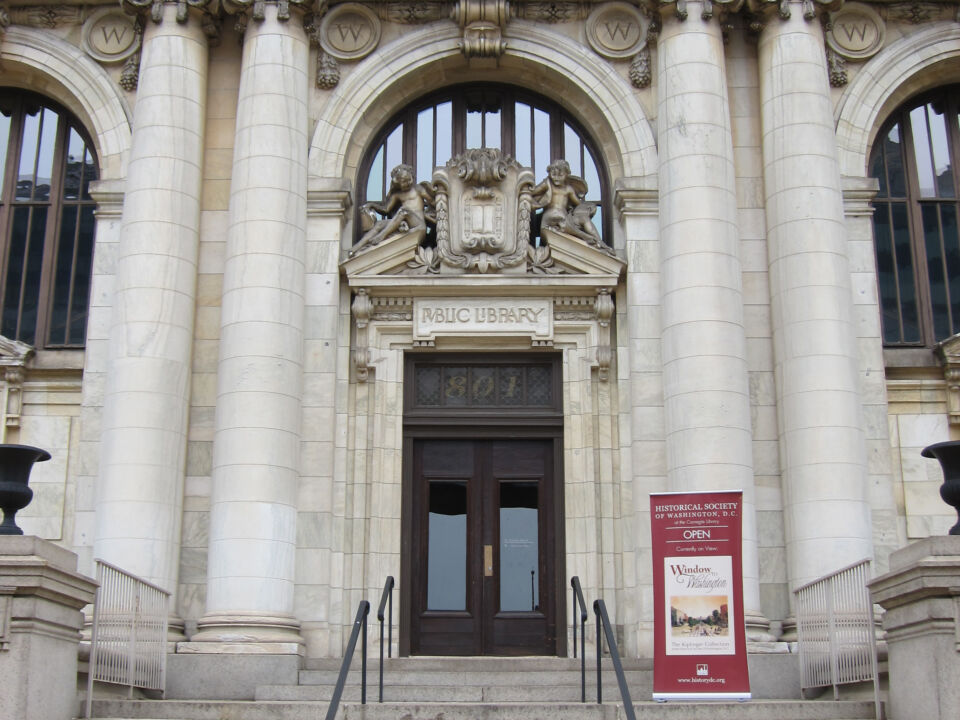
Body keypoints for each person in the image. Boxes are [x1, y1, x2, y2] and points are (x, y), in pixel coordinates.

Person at [352, 164, 433, 256]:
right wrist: (371, 205)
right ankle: (356, 248)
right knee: (379, 224)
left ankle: (381, 236)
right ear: (397, 183)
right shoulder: (397, 195)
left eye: (409, 180)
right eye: (404, 182)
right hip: (406, 225)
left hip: (418, 226)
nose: (408, 183)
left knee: (404, 211)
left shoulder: (418, 189)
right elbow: (386, 209)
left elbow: (433, 202)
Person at [531, 159, 603, 247]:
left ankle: (598, 242)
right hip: (550, 218)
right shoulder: (547, 183)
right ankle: (587, 237)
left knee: (582, 220)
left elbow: (578, 204)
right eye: (553, 175)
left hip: (563, 217)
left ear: (566, 175)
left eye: (560, 175)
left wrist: (588, 208)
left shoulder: (568, 189)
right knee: (572, 227)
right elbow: (533, 192)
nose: (556, 178)